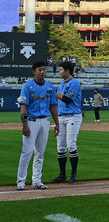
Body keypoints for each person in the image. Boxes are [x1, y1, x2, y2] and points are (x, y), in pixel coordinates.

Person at [16, 61, 60, 190]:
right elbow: (23, 107)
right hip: (31, 121)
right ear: (34, 71)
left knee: (40, 153)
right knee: (27, 152)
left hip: (45, 121)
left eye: (44, 70)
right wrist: (25, 125)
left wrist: (57, 124)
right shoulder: (27, 86)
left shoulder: (50, 87)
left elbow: (53, 107)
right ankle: (21, 181)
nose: (42, 72)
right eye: (40, 70)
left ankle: (37, 180)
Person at [52, 61, 82, 183]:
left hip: (73, 116)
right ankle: (62, 174)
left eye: (61, 70)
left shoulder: (74, 83)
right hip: (61, 116)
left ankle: (73, 173)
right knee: (60, 147)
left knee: (71, 144)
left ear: (67, 71)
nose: (59, 72)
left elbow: (68, 99)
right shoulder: (61, 84)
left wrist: (54, 94)